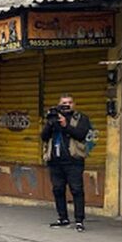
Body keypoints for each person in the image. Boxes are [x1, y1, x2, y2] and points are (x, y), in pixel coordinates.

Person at [40, 94, 90, 232]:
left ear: (74, 104)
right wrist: (50, 123)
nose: (66, 105)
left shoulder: (81, 118)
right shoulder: (53, 117)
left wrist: (65, 125)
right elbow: (43, 136)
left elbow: (81, 135)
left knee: (76, 190)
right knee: (58, 189)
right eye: (63, 103)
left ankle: (79, 220)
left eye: (69, 102)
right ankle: (63, 218)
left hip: (74, 161)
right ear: (58, 104)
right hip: (55, 161)